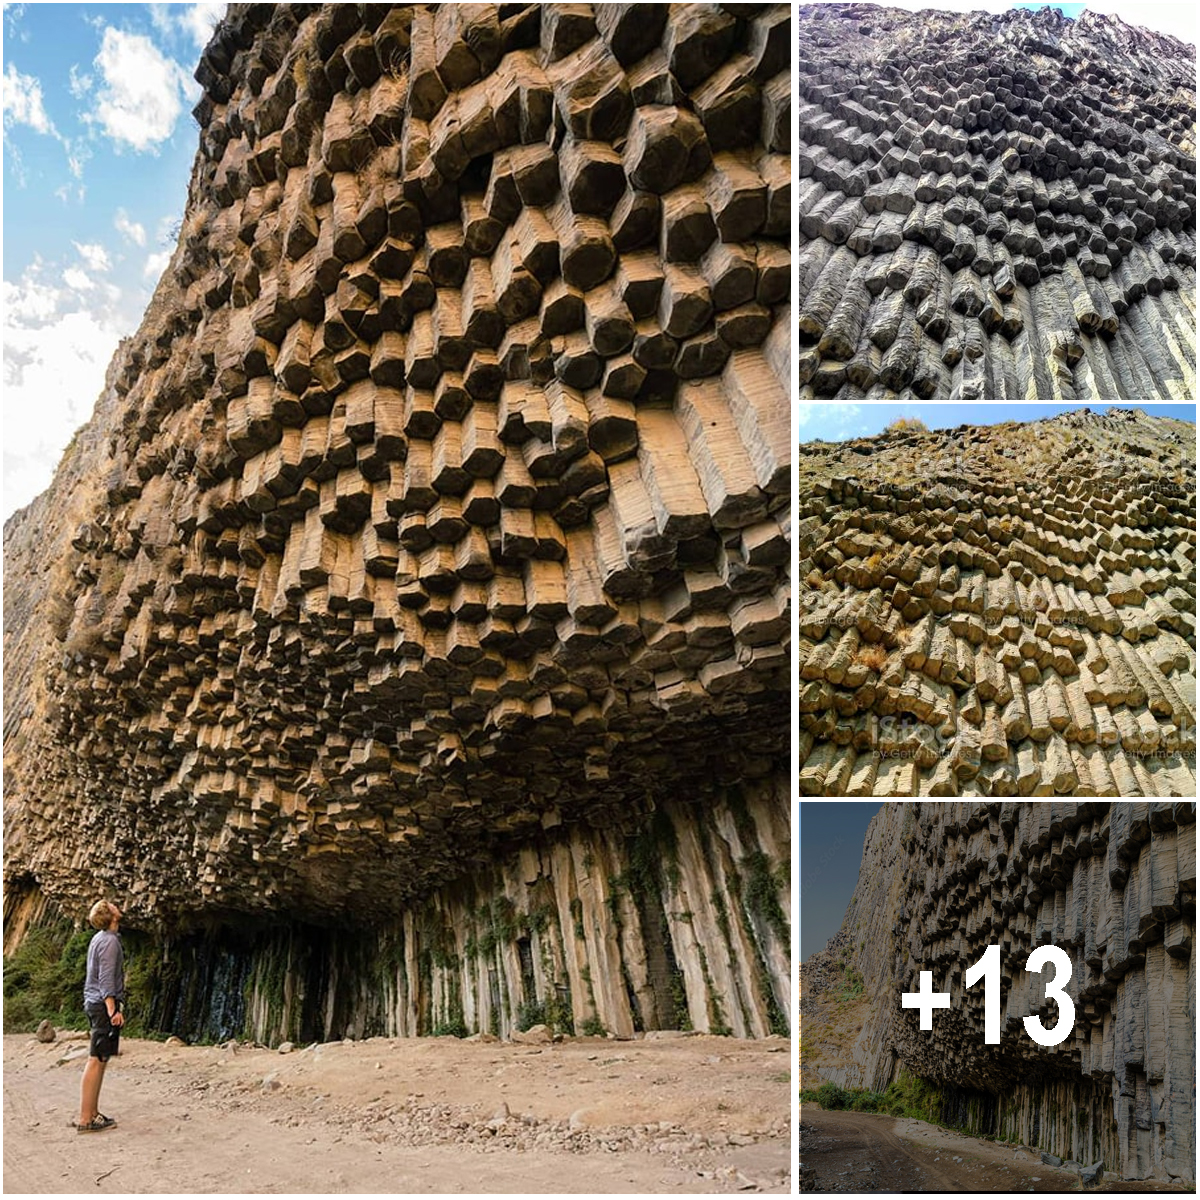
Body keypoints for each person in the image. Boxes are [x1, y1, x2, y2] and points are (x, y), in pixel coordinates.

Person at [77, 899, 125, 1133]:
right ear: (111, 915)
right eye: (112, 905)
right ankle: (86, 1119)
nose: (117, 905)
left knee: (100, 1059)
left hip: (94, 1002)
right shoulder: (109, 942)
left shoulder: (101, 938)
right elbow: (106, 979)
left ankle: (93, 1113)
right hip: (101, 1005)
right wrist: (112, 1010)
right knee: (96, 1060)